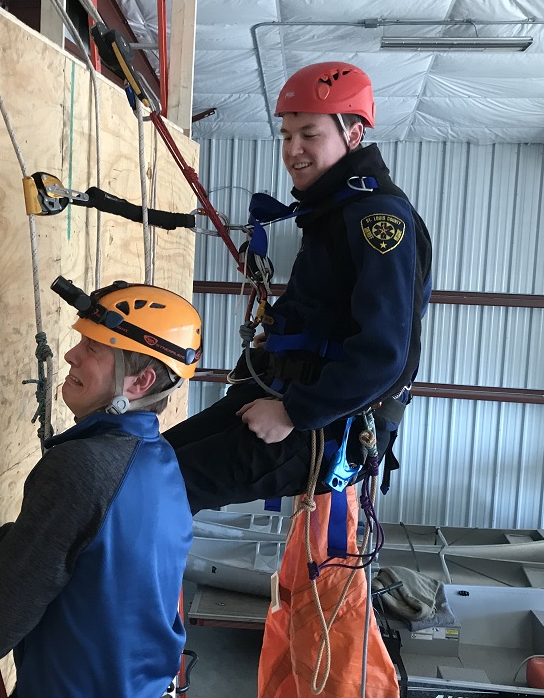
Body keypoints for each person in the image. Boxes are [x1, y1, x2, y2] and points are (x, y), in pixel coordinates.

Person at [164, 62, 432, 698]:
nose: (292, 150)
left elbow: (383, 356)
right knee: (149, 461)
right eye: (286, 134)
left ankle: (111, 631)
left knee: (161, 486)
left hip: (319, 427)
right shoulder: (334, 213)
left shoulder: (376, 220)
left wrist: (293, 411)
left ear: (353, 131)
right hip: (284, 400)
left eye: (309, 133)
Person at [0, 277, 203, 697]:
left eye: (93, 349)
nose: (70, 354)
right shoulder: (161, 463)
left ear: (139, 383)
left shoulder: (82, 469)